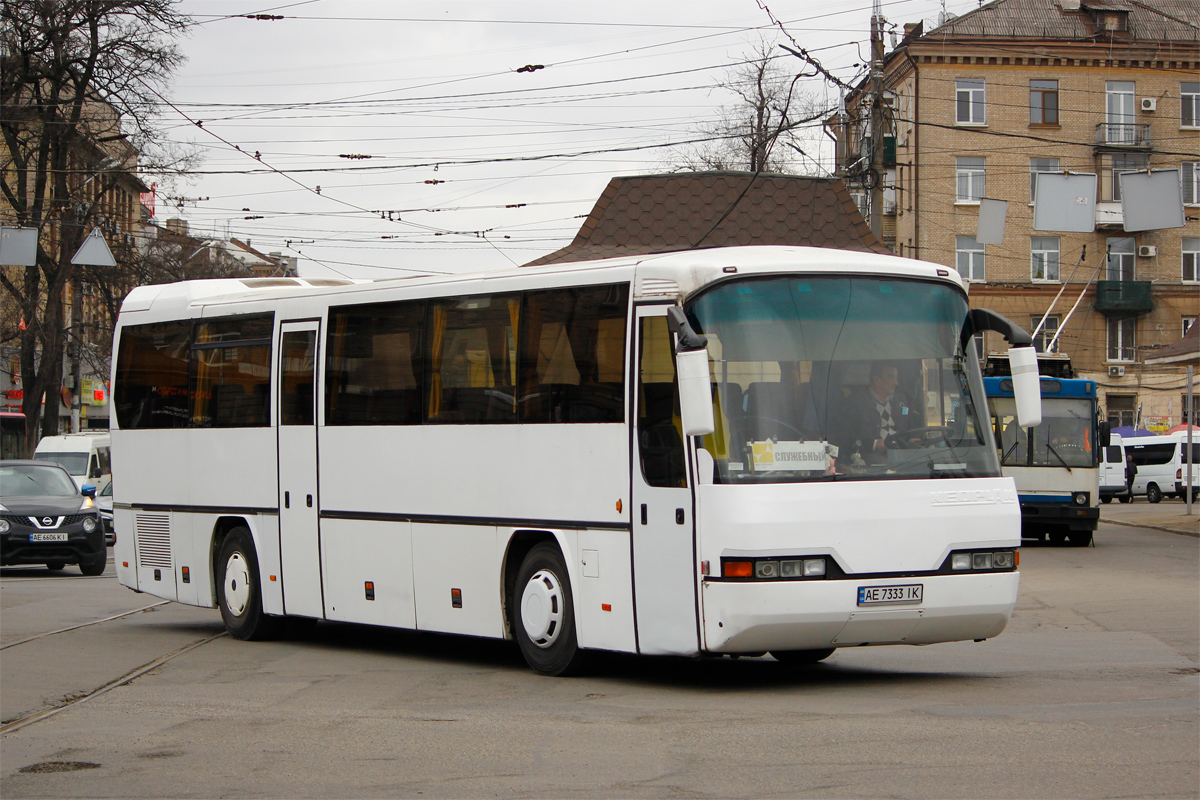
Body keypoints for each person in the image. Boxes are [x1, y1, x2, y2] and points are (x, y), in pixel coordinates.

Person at [836, 361, 919, 463]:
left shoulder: (901, 399)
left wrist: (913, 438)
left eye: (896, 378)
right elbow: (848, 436)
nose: (896, 383)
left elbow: (912, 425)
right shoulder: (855, 403)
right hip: (871, 456)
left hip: (902, 452)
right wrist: (874, 444)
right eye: (891, 377)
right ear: (876, 379)